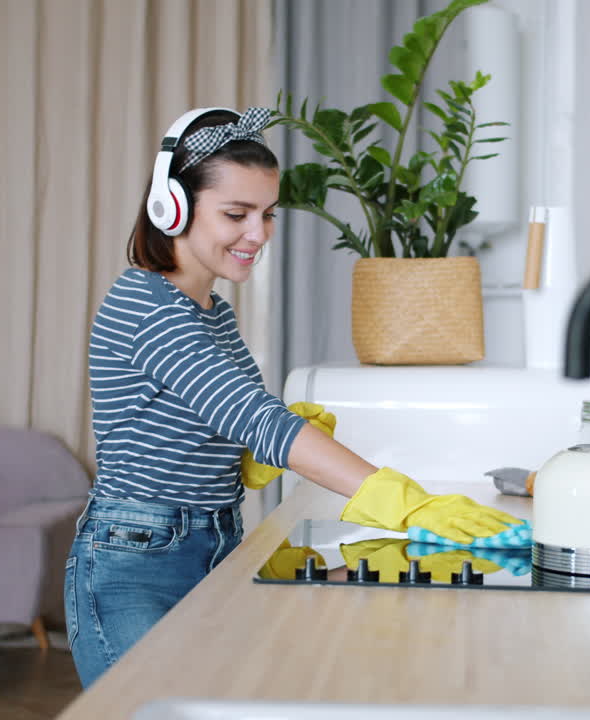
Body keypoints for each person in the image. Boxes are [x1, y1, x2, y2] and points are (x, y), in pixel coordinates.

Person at [64, 107, 520, 687]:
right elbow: (256, 418)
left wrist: (246, 452)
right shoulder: (149, 307)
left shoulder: (214, 314)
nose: (258, 234)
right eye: (237, 213)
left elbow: (237, 421)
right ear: (170, 207)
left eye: (267, 214)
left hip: (214, 540)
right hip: (134, 560)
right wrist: (405, 503)